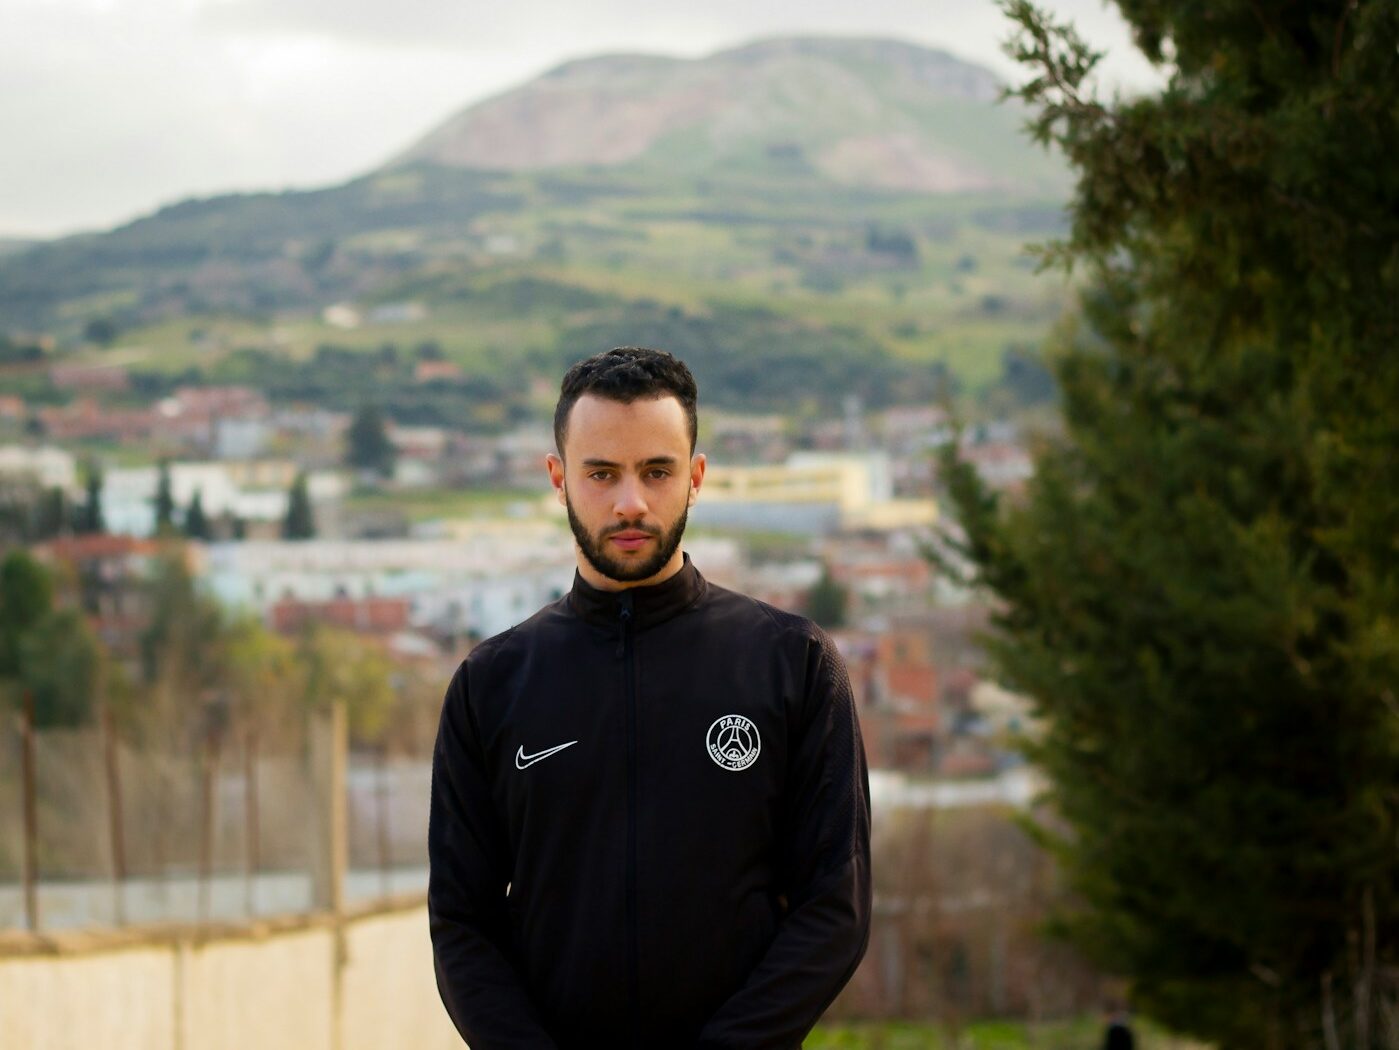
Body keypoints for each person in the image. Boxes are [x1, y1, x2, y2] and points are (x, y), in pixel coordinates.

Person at [428, 347, 872, 1049]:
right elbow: (461, 922)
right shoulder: (491, 684)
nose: (630, 502)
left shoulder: (792, 663)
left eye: (656, 472)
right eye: (601, 473)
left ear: (695, 478)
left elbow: (834, 906)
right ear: (559, 478)